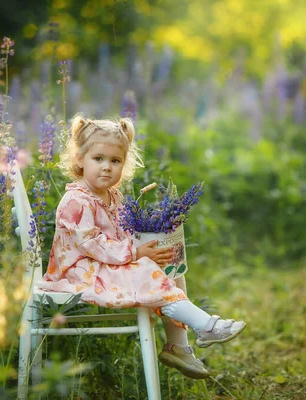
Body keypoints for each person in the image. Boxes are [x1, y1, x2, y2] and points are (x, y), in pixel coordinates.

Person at [40, 115, 246, 379]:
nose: (107, 167)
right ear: (80, 159)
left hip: (106, 263)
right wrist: (136, 252)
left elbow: (123, 232)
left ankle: (178, 346)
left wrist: (153, 240)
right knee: (147, 269)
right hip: (80, 272)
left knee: (169, 266)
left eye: (115, 161)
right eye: (98, 159)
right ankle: (205, 325)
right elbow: (92, 244)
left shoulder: (113, 195)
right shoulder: (75, 200)